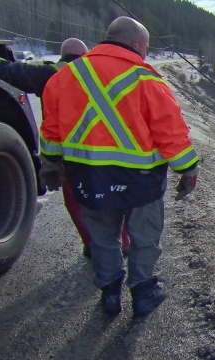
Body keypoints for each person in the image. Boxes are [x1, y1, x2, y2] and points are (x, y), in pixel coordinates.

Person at [39, 17, 200, 317]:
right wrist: (188, 170)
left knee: (102, 237)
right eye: (146, 48)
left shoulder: (63, 77)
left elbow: (51, 131)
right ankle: (143, 293)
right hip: (141, 182)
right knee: (144, 237)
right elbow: (172, 134)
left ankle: (110, 294)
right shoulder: (146, 79)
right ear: (137, 44)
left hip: (88, 177)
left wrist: (49, 165)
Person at [0, 38, 131, 259]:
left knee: (78, 204)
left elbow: (14, 72)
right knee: (112, 200)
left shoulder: (53, 74)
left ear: (63, 56)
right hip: (110, 153)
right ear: (85, 54)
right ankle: (123, 242)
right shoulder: (104, 75)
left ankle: (95, 246)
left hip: (70, 158)